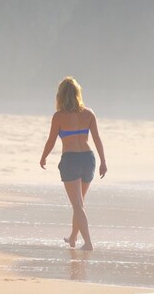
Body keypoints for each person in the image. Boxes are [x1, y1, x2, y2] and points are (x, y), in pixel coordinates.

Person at [40, 76, 107, 251]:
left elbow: (51, 141)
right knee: (80, 203)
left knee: (77, 205)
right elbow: (97, 139)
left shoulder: (59, 117)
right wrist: (103, 161)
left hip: (71, 159)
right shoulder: (89, 114)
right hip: (88, 159)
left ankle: (88, 243)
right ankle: (73, 237)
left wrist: (43, 157)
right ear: (78, 93)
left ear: (60, 95)